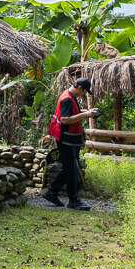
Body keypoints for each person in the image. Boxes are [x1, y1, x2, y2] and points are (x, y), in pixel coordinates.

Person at [43, 77, 98, 211]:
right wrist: (85, 115)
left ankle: (52, 192)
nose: (84, 94)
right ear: (79, 88)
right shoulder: (67, 99)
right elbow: (65, 119)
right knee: (71, 170)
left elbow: (71, 113)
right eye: (84, 91)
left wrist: (87, 112)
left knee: (68, 168)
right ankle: (73, 200)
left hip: (68, 139)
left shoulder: (68, 95)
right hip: (66, 139)